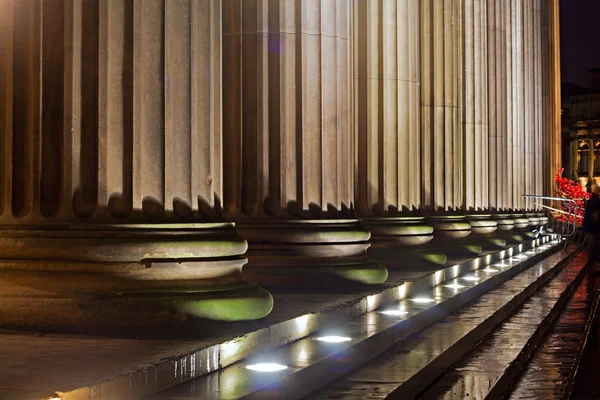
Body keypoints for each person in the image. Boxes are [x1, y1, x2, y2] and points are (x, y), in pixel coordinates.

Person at [582, 184, 600, 269]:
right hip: (594, 228)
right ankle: (591, 267)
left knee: (592, 248)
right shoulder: (596, 200)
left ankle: (591, 267)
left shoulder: (591, 200)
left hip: (590, 227)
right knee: (593, 248)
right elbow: (595, 214)